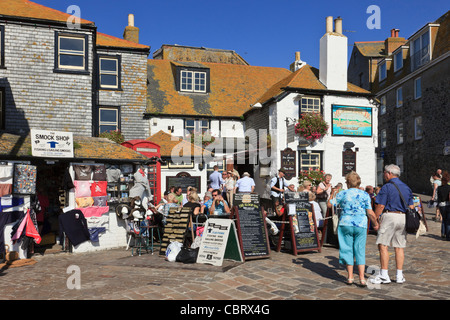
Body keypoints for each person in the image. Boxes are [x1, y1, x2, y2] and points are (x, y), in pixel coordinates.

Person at [331, 171, 379, 287]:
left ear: (347, 183)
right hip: (360, 224)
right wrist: (375, 223)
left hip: (345, 223)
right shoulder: (364, 195)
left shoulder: (343, 194)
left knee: (347, 249)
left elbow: (330, 204)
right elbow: (370, 212)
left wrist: (333, 194)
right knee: (360, 250)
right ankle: (362, 278)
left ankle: (350, 277)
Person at [371, 164, 414, 285]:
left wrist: (375, 219)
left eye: (384, 172)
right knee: (399, 246)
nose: (384, 174)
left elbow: (380, 205)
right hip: (403, 217)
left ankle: (384, 274)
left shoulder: (387, 187)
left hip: (390, 216)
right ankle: (399, 275)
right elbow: (411, 206)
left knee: (383, 245)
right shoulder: (406, 187)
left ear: (389, 173)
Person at [436, 170, 450, 240]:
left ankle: (442, 233)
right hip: (448, 204)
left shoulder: (439, 188)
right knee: (448, 220)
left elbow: (438, 197)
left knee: (444, 219)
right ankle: (447, 235)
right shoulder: (449, 187)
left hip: (441, 205)